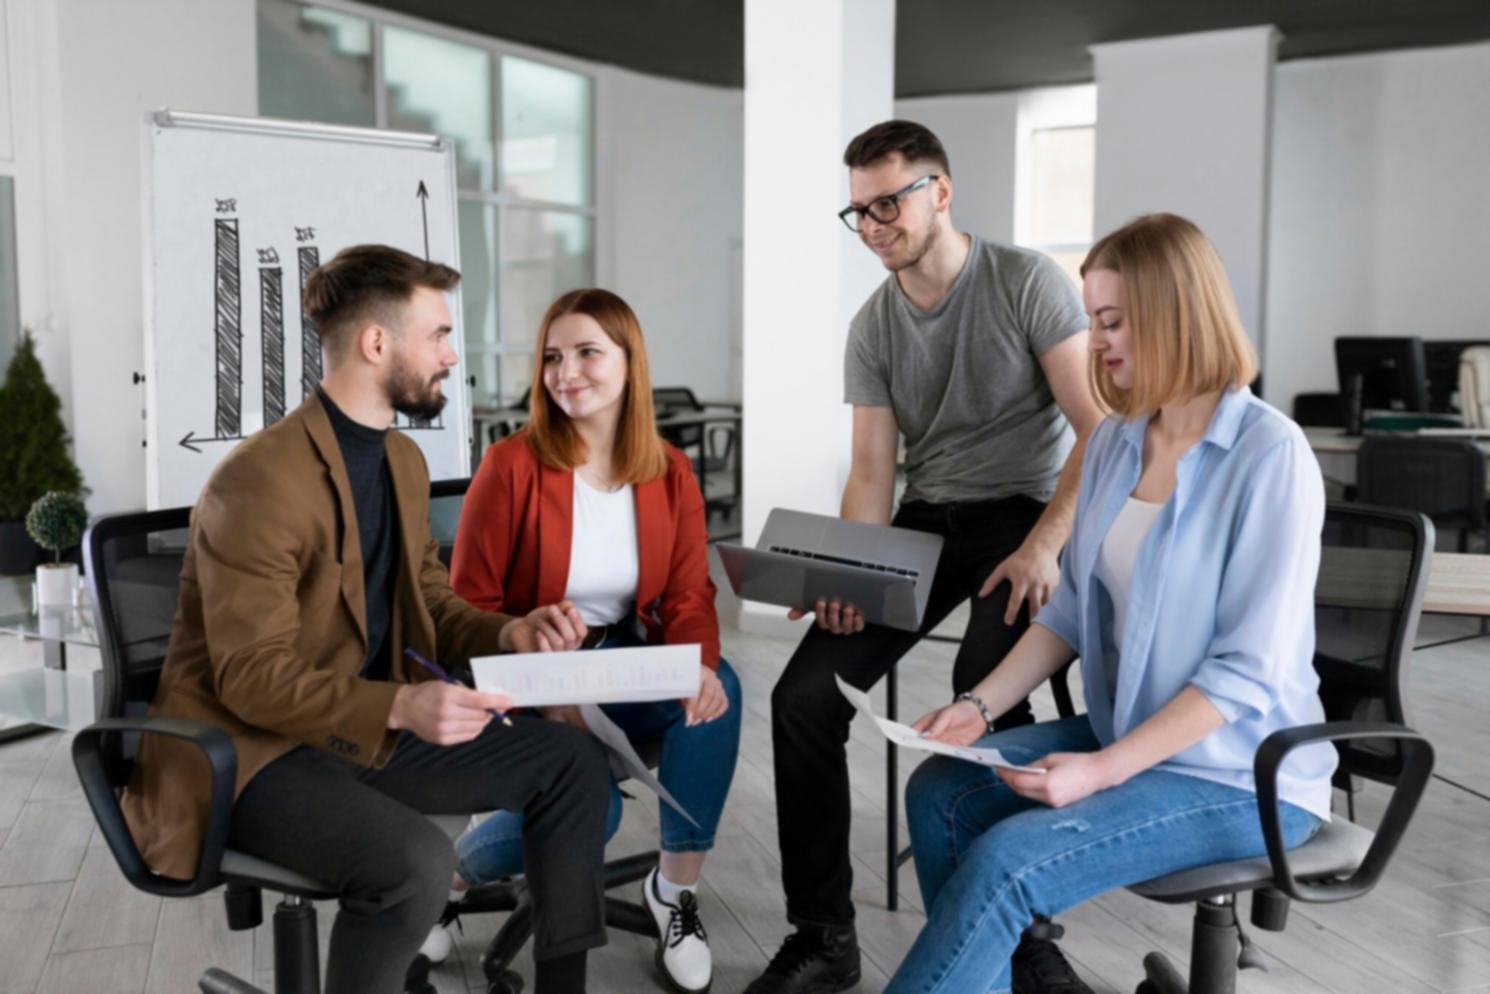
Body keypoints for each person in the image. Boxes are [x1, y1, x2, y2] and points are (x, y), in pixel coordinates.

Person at [121, 245, 612, 994]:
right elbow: (251, 677)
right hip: (251, 752)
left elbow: (432, 606)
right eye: (439, 335)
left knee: (571, 765)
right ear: (377, 344)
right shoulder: (257, 482)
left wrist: (509, 631)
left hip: (363, 729)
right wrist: (404, 704)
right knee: (416, 863)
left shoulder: (402, 465)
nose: (452, 356)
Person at [885, 213, 1337, 994]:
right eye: (1093, 321)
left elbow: (1244, 673)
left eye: (1112, 321)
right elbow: (1066, 614)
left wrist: (1100, 771)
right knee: (942, 791)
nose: (1095, 342)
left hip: (1241, 775)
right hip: (1130, 732)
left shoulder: (1270, 455)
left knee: (1009, 862)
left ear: (1175, 312)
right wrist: (979, 707)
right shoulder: (1120, 441)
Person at [748, 120, 1104, 994]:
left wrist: (1045, 544)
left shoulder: (1025, 281)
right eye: (857, 211)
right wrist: (849, 575)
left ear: (939, 192)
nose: (871, 226)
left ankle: (1026, 939)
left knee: (987, 685)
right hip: (926, 522)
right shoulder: (873, 326)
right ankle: (823, 937)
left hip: (1026, 512)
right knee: (802, 697)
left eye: (887, 204)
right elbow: (872, 470)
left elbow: (1098, 430)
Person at [444, 288, 742, 994]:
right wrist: (545, 689)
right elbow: (465, 607)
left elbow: (687, 594)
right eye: (552, 356)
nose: (565, 371)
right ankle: (449, 876)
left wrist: (696, 666)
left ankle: (674, 893)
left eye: (586, 353)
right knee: (594, 810)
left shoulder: (668, 469)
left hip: (623, 661)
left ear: (629, 362)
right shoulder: (512, 465)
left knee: (720, 686)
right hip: (528, 670)